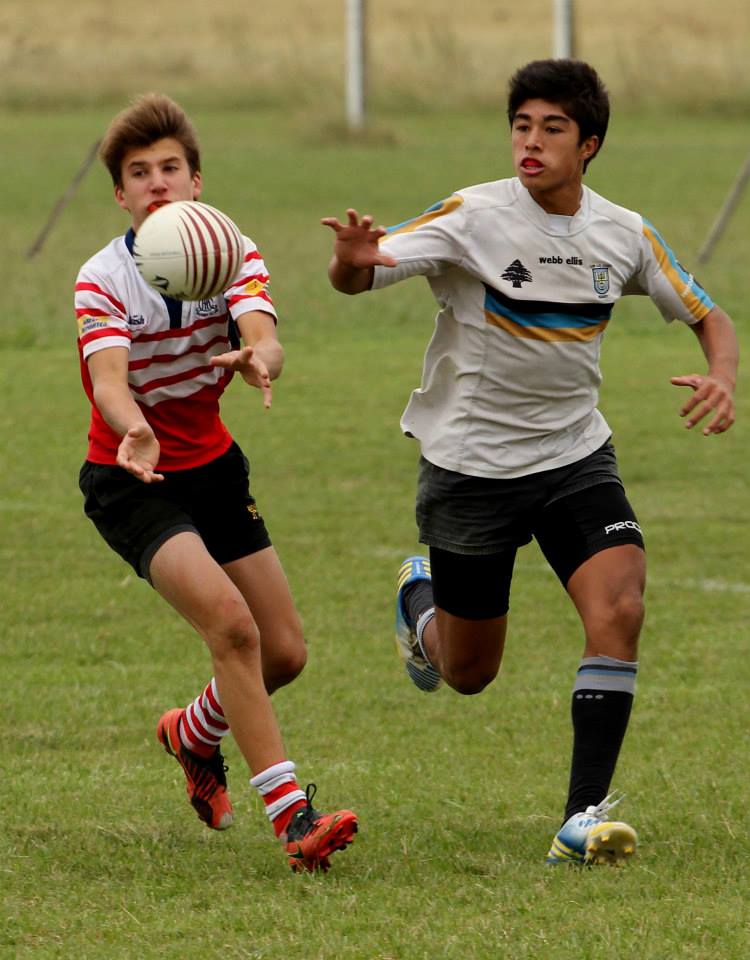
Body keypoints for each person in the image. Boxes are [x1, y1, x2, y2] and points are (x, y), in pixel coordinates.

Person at [322, 59, 738, 865]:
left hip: (574, 454)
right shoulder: (472, 216)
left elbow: (708, 314)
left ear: (590, 146)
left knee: (620, 606)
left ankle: (582, 817)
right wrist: (351, 257)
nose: (531, 143)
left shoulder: (623, 233)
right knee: (469, 672)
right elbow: (360, 275)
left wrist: (721, 375)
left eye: (552, 128)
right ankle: (419, 602)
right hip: (472, 467)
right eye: (521, 126)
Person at [75, 92, 357, 873]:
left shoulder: (231, 251)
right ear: (121, 195)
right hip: (131, 477)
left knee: (285, 652)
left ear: (196, 181)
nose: (157, 183)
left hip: (214, 469)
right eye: (140, 173)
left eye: (170, 168)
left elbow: (264, 336)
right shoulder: (102, 278)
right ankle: (294, 817)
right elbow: (108, 381)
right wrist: (133, 424)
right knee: (233, 627)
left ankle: (193, 734)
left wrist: (261, 357)